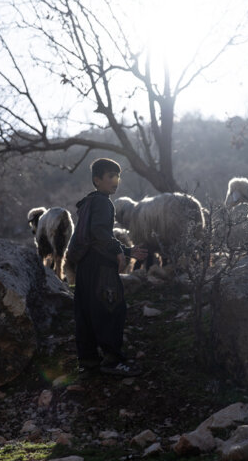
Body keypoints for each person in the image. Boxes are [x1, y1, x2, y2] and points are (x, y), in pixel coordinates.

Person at [66, 158, 147, 377]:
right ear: (97, 180)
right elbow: (101, 233)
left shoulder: (87, 203)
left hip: (85, 267)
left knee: (87, 312)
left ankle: (89, 362)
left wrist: (128, 251)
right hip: (101, 267)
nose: (115, 181)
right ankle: (112, 361)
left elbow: (95, 234)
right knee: (112, 310)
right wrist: (119, 251)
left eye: (117, 176)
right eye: (110, 176)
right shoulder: (103, 202)